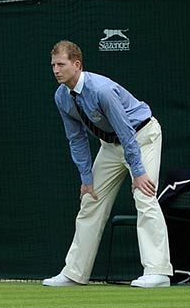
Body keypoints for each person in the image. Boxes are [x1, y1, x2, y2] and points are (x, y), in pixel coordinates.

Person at [43, 40, 172, 288]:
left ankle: (158, 272)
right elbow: (76, 139)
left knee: (144, 196)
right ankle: (74, 273)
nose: (56, 70)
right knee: (90, 200)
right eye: (53, 65)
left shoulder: (101, 90)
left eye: (61, 64)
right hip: (110, 146)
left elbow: (126, 132)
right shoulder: (61, 97)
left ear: (76, 64)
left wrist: (138, 172)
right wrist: (86, 180)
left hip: (142, 137)